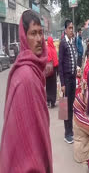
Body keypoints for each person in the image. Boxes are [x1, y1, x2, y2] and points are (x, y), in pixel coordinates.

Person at [0, 10, 53, 172]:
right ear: (24, 37)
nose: (39, 39)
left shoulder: (32, 69)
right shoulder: (27, 77)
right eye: (33, 33)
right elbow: (29, 140)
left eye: (41, 33)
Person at [59, 19, 78, 144]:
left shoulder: (72, 42)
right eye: (70, 28)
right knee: (65, 107)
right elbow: (60, 64)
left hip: (72, 78)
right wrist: (62, 84)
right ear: (65, 29)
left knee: (71, 105)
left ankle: (70, 130)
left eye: (72, 28)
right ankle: (67, 134)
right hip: (66, 79)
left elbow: (74, 59)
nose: (72, 30)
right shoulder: (63, 43)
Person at [73, 75, 89, 163]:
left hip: (76, 100)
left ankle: (68, 133)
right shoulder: (80, 116)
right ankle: (67, 134)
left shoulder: (79, 98)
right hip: (66, 92)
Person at [46, 36, 59, 108]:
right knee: (53, 86)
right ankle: (53, 101)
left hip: (48, 70)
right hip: (54, 70)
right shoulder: (54, 49)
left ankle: (48, 100)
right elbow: (56, 61)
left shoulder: (46, 49)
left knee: (48, 85)